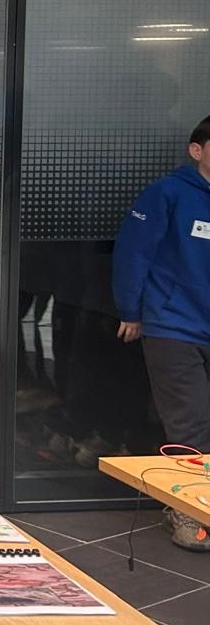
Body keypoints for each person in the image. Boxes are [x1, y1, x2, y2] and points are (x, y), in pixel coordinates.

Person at [113, 113, 210, 551]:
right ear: (197, 150)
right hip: (174, 325)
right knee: (190, 423)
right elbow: (134, 254)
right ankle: (189, 513)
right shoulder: (167, 193)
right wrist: (131, 311)